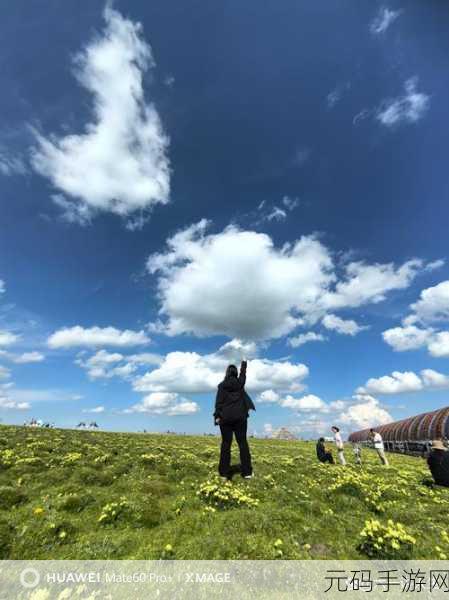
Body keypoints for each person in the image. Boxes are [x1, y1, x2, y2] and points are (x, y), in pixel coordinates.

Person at [214, 360, 256, 479]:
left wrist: (217, 416)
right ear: (236, 373)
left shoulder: (222, 386)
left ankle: (223, 473)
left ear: (227, 373)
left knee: (226, 444)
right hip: (240, 418)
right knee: (242, 443)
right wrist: (244, 362)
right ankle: (247, 472)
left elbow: (218, 402)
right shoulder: (240, 383)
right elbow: (243, 374)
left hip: (225, 418)